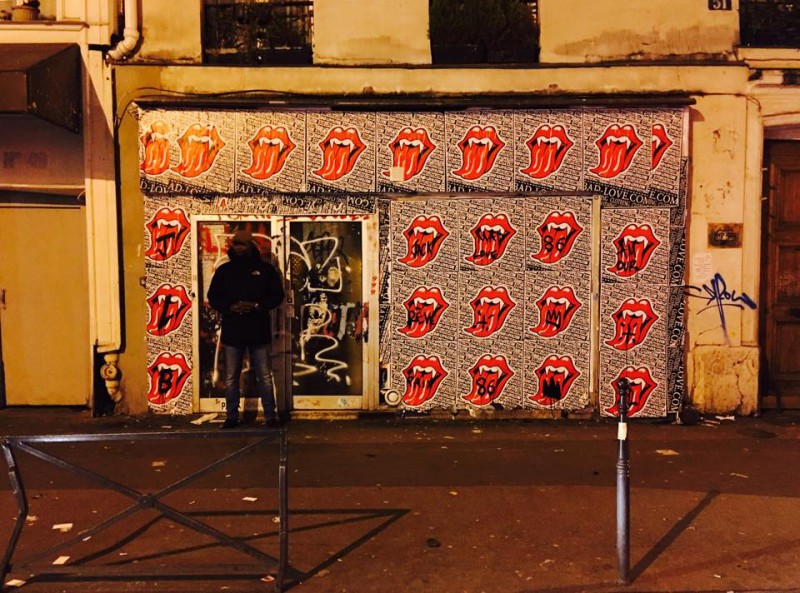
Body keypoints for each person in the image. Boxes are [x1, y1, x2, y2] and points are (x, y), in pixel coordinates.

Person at [208, 228, 285, 428]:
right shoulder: (225, 271)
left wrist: (257, 306)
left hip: (256, 329)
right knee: (232, 376)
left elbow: (277, 295)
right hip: (235, 330)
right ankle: (232, 417)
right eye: (236, 244)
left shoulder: (264, 270)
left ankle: (270, 416)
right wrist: (231, 307)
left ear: (250, 245)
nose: (238, 248)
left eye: (242, 244)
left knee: (263, 375)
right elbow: (213, 297)